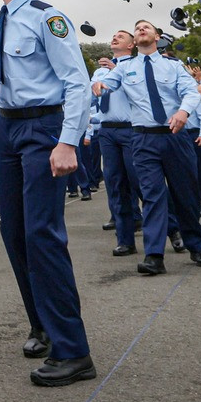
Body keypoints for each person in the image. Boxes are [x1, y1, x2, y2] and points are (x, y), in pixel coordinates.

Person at [0, 0, 96, 386]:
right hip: (5, 132)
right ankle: (41, 324)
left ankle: (74, 351)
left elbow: (76, 81)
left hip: (43, 128)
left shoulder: (46, 17)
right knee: (15, 232)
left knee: (42, 233)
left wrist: (67, 141)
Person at [91, 20, 201, 275]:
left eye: (146, 27)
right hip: (143, 140)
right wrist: (98, 86)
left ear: (156, 36)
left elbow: (191, 92)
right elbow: (107, 84)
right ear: (135, 40)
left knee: (185, 194)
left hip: (175, 136)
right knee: (153, 196)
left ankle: (196, 246)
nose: (141, 29)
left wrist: (183, 112)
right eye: (138, 28)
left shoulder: (173, 66)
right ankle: (154, 255)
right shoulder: (125, 68)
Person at [88, 38, 142, 255]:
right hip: (107, 130)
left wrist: (116, 70)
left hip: (131, 129)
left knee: (141, 182)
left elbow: (140, 93)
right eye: (114, 36)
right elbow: (92, 98)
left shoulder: (137, 65)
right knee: (115, 184)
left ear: (131, 45)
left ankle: (172, 228)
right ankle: (125, 239)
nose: (115, 38)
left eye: (121, 36)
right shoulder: (101, 72)